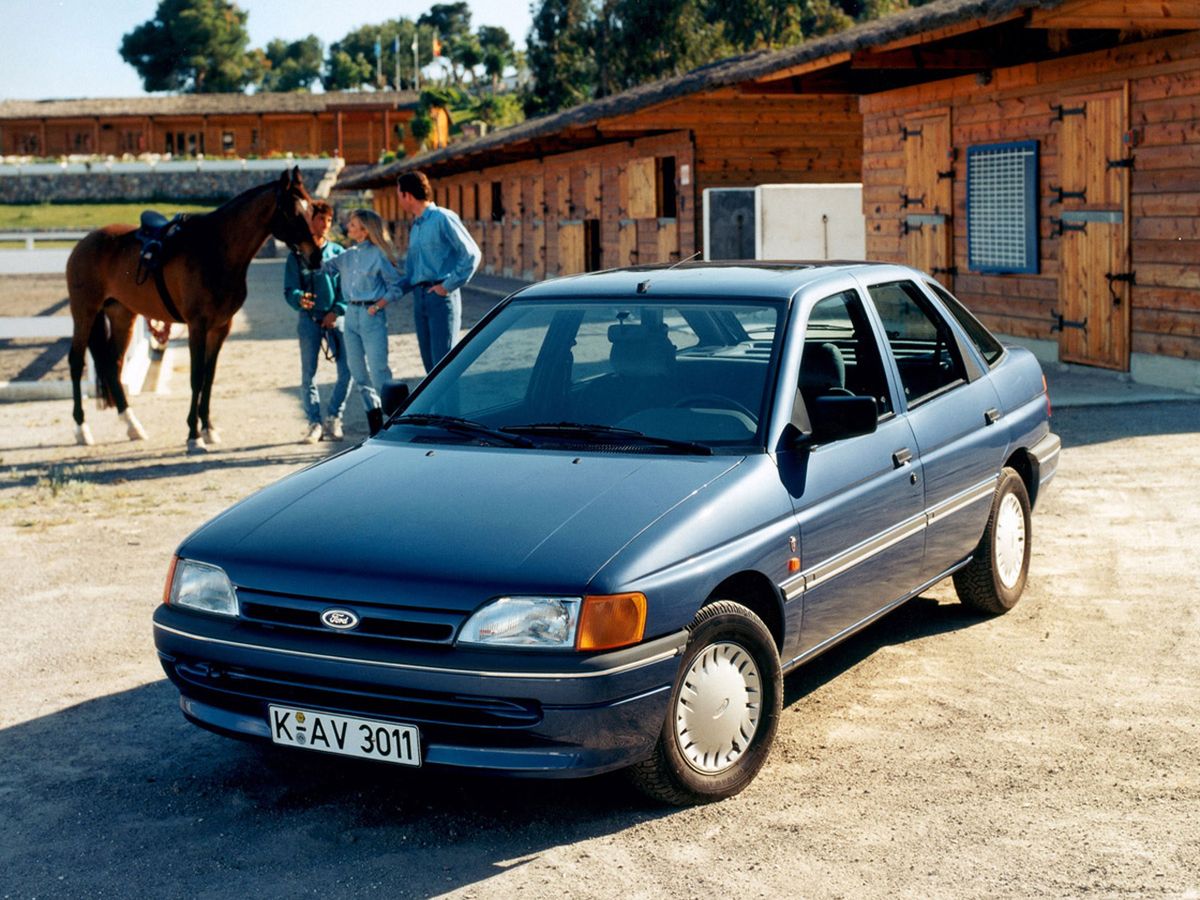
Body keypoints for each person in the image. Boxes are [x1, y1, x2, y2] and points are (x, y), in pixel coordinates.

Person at [322, 209, 403, 436]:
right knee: (358, 374)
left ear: (365, 230)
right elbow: (323, 266)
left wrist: (378, 306)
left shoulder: (378, 255)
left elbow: (396, 286)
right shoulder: (347, 255)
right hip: (350, 317)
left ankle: (397, 425)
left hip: (371, 316)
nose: (349, 228)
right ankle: (376, 429)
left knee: (379, 372)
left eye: (353, 224)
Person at [395, 171, 482, 373]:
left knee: (444, 368)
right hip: (420, 298)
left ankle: (450, 406)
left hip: (441, 299)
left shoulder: (443, 218)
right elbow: (412, 273)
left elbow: (471, 254)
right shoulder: (415, 227)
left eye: (399, 194)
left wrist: (447, 286)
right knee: (430, 370)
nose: (399, 200)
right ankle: (435, 406)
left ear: (407, 195)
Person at [283, 200, 351, 443]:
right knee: (308, 374)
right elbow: (289, 289)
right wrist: (300, 299)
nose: (325, 225)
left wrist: (337, 310)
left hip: (335, 319)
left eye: (329, 220)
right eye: (321, 219)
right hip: (309, 320)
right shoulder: (298, 255)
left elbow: (346, 287)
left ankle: (334, 416)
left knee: (347, 370)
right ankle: (314, 422)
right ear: (311, 221)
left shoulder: (337, 253)